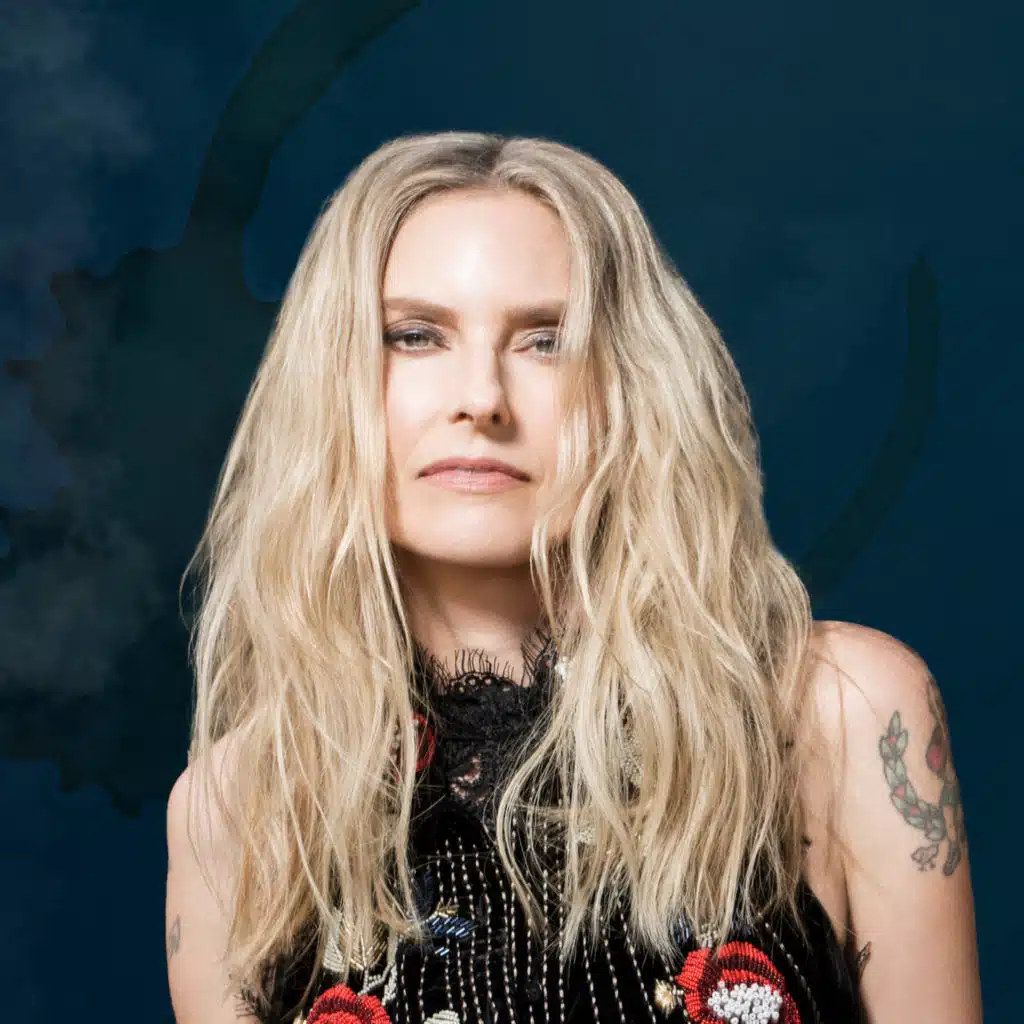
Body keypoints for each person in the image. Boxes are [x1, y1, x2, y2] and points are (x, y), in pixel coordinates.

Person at [165, 131, 982, 1024]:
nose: (481, 399)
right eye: (415, 336)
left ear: (634, 385)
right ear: (332, 382)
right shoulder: (240, 806)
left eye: (547, 340)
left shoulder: (837, 712)